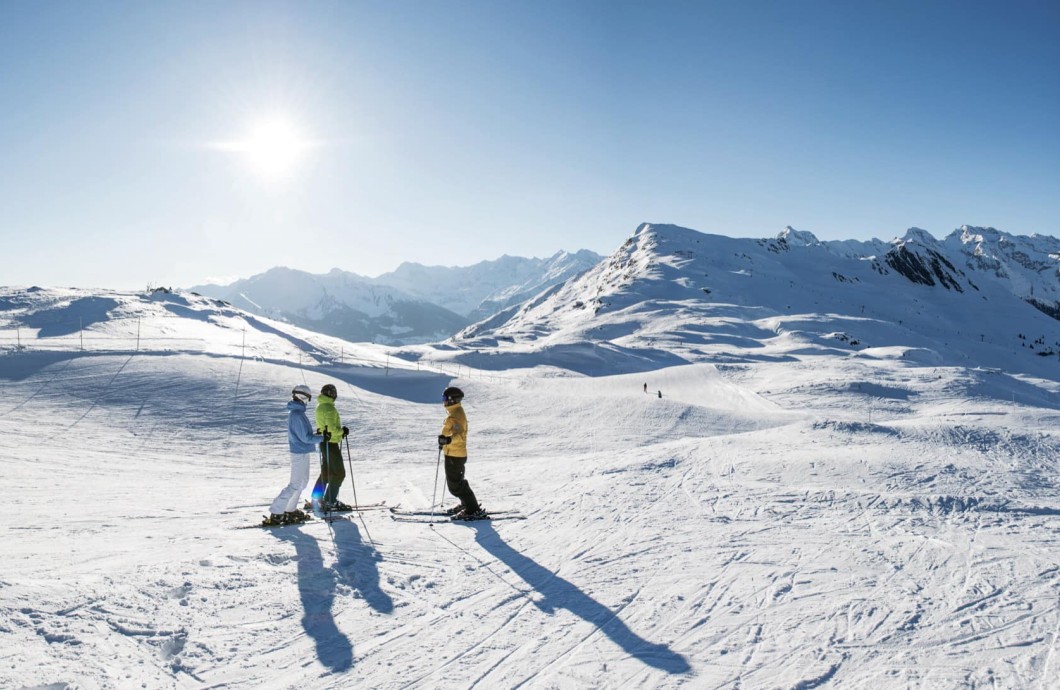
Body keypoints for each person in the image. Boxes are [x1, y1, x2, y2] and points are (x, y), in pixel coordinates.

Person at [264, 385, 326, 526]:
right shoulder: (297, 414)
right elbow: (305, 438)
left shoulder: (298, 413)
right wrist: (322, 438)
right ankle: (276, 511)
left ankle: (289, 509)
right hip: (299, 452)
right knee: (295, 484)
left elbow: (305, 436)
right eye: (307, 399)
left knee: (302, 483)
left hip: (302, 451)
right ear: (303, 397)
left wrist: (318, 436)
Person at [438, 386, 487, 520]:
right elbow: (449, 428)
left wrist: (447, 439)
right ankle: (466, 504)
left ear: (452, 400)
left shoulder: (457, 414)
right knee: (456, 483)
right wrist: (443, 439)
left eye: (444, 399)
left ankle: (473, 509)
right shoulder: (454, 412)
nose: (443, 402)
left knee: (456, 486)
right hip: (452, 452)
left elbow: (459, 435)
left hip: (456, 454)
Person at [310, 383, 351, 512]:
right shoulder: (329, 408)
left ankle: (316, 498)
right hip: (331, 443)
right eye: (333, 393)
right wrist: (342, 431)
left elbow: (326, 427)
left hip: (324, 442)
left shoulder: (320, 406)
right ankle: (329, 501)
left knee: (327, 472)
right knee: (338, 473)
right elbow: (332, 429)